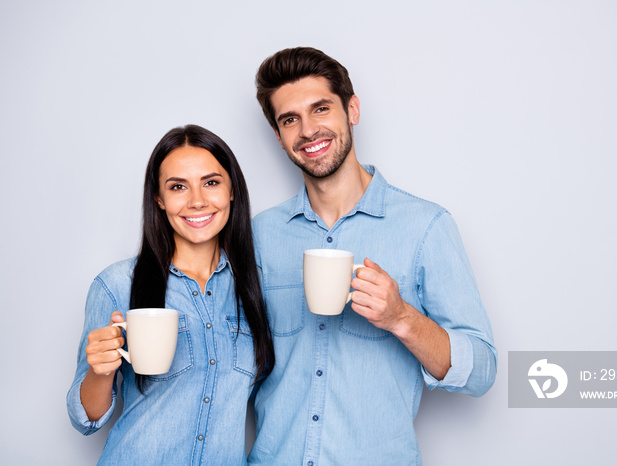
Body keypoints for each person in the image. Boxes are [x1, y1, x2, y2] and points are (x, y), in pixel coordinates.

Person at [249, 47, 497, 464]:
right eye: (290, 119)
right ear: (278, 135)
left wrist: (402, 318)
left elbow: (482, 371)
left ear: (352, 109)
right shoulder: (260, 234)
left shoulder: (426, 226)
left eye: (321, 109)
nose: (308, 130)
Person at [66, 124, 274, 465]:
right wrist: (99, 372)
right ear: (159, 199)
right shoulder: (117, 285)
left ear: (232, 190)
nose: (197, 201)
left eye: (211, 182)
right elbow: (84, 418)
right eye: (178, 187)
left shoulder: (256, 288)